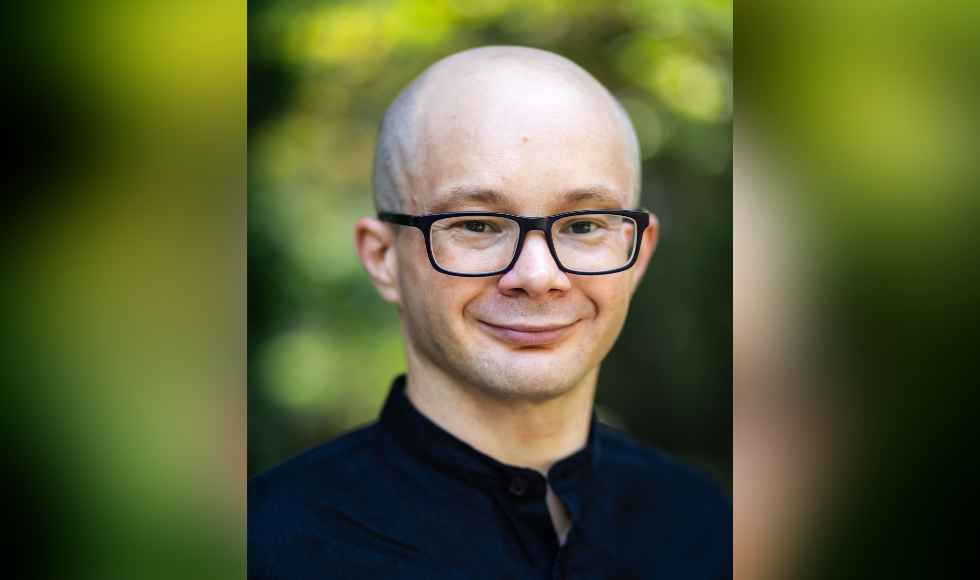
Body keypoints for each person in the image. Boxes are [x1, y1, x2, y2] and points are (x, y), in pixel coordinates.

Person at [248, 46, 731, 579]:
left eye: (584, 225)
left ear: (636, 253)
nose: (538, 277)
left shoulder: (705, 529)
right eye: (476, 225)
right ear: (383, 258)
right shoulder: (264, 548)